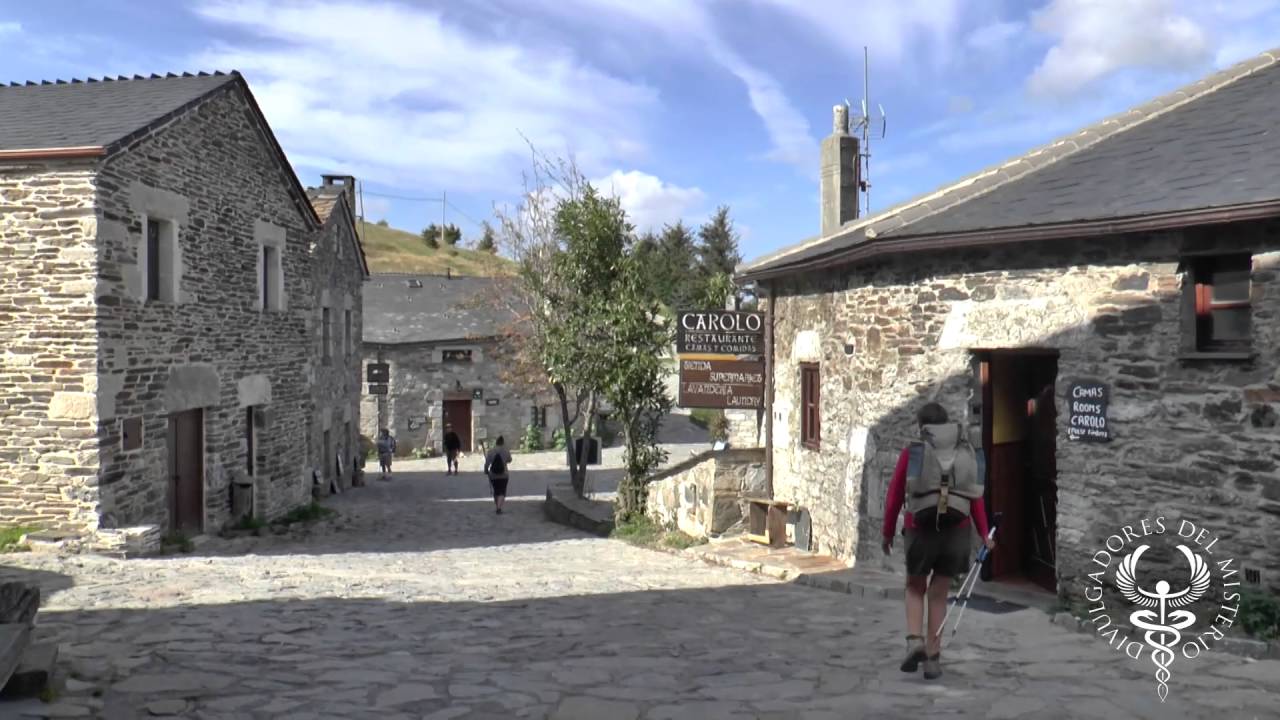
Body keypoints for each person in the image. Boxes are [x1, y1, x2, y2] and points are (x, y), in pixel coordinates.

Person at [882, 402, 992, 681]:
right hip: (956, 530)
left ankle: (913, 641)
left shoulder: (914, 451)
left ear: (922, 427)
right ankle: (933, 658)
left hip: (920, 528)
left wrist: (886, 533)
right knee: (939, 593)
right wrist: (984, 533)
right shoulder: (964, 452)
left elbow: (895, 494)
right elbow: (975, 495)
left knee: (914, 586)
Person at [483, 435, 513, 514]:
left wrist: (486, 471)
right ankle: (499, 508)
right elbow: (510, 460)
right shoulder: (506, 451)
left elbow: (487, 464)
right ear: (503, 442)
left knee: (496, 491)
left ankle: (497, 506)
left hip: (493, 475)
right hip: (504, 474)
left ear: (496, 442)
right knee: (502, 491)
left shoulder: (491, 451)